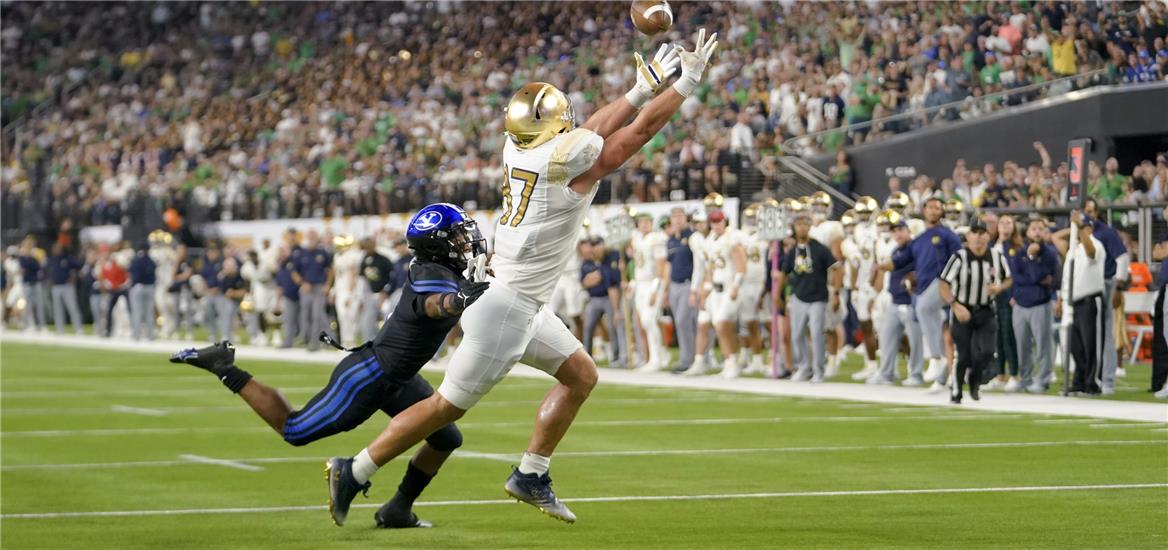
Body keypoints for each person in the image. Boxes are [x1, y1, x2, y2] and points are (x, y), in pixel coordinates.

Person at [320, 33, 716, 525]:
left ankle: (531, 473)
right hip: (507, 303)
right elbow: (627, 140)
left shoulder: (519, 148)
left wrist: (639, 90)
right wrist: (685, 85)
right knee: (445, 407)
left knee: (580, 375)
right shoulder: (564, 163)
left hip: (517, 297)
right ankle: (353, 469)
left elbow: (588, 134)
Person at [170, 203, 489, 529]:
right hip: (369, 375)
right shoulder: (429, 274)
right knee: (294, 430)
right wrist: (458, 301)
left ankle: (398, 509)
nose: (467, 240)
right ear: (436, 244)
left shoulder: (447, 269)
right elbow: (434, 305)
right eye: (458, 235)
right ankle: (225, 366)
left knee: (446, 438)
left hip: (399, 377)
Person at [939, 217, 1012, 404]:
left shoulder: (996, 256)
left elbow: (1008, 278)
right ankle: (956, 390)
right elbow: (943, 284)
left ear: (988, 236)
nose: (978, 238)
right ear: (968, 236)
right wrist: (955, 305)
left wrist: (1000, 288)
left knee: (987, 351)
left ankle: (974, 379)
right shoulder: (959, 258)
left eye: (982, 233)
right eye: (975, 233)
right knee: (963, 354)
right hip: (962, 309)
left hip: (986, 310)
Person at [776, 213, 842, 383]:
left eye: (805, 224)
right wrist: (778, 294)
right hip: (798, 296)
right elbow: (784, 272)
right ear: (794, 228)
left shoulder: (819, 248)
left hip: (818, 297)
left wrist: (835, 292)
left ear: (809, 227)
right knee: (797, 335)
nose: (802, 228)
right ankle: (805, 366)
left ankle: (819, 370)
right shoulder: (792, 251)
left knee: (816, 334)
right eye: (798, 225)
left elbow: (837, 267)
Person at [910, 198, 963, 391]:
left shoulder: (947, 235)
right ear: (923, 210)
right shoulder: (919, 238)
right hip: (923, 286)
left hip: (944, 283)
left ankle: (935, 358)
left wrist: (950, 282)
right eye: (931, 207)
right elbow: (912, 262)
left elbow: (959, 258)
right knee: (945, 335)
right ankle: (944, 377)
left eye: (938, 208)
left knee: (923, 309)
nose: (934, 211)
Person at [1058, 211, 1106, 396]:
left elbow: (1091, 252)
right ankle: (1079, 381)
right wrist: (1062, 298)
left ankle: (1093, 382)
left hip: (1090, 299)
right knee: (1075, 345)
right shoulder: (1073, 249)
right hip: (1074, 302)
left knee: (1091, 344)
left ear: (1090, 228)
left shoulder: (1096, 245)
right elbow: (1068, 277)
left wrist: (1081, 229)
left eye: (1083, 226)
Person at [1010, 218, 1060, 393]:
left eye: (1040, 229)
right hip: (1020, 304)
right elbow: (1017, 278)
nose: (1037, 232)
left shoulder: (1050, 254)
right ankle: (1025, 378)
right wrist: (1034, 278)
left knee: (1043, 345)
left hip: (1041, 303)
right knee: (1022, 345)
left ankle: (1043, 379)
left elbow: (1040, 275)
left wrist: (1031, 259)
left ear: (1046, 232)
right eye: (1033, 228)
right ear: (1027, 232)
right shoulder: (1018, 253)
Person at [874, 212, 923, 384]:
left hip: (911, 302)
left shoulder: (914, 247)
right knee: (886, 338)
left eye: (901, 229)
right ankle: (887, 373)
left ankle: (916, 374)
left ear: (909, 231)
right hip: (895, 301)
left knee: (914, 341)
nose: (898, 234)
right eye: (895, 231)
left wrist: (879, 266)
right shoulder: (896, 249)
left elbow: (893, 265)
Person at [629, 212, 668, 371]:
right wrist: (632, 282)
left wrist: (655, 289)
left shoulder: (657, 239)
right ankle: (653, 357)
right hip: (639, 283)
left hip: (652, 282)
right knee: (644, 322)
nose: (644, 224)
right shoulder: (636, 238)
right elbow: (636, 263)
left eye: (647, 222)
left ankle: (657, 358)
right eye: (641, 222)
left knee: (648, 320)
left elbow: (661, 267)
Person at [581, 237, 627, 369]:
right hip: (594, 298)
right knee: (588, 326)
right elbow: (585, 282)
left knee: (614, 327)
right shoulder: (588, 262)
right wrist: (592, 279)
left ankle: (616, 357)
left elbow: (612, 286)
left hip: (610, 297)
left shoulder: (611, 258)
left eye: (598, 245)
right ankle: (587, 358)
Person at [663, 208, 697, 374]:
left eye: (680, 216)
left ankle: (688, 360)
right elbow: (668, 266)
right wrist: (665, 289)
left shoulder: (692, 237)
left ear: (686, 219)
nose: (677, 220)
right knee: (680, 323)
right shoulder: (670, 240)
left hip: (688, 283)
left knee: (684, 321)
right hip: (674, 285)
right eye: (674, 216)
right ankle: (689, 357)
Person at [295, 230, 332, 351]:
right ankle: (305, 338)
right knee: (305, 315)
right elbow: (294, 272)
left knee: (317, 315)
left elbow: (330, 270)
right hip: (306, 287)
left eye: (313, 237)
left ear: (317, 239)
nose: (311, 239)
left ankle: (315, 342)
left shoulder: (322, 253)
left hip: (319, 287)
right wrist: (302, 283)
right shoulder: (302, 253)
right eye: (309, 237)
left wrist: (327, 285)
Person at [46, 243, 83, 334]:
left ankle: (78, 328)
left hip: (68, 286)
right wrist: (49, 280)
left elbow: (79, 265)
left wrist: (74, 275)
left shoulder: (67, 258)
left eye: (58, 248)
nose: (56, 250)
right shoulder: (51, 260)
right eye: (55, 248)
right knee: (57, 309)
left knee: (72, 307)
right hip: (55, 287)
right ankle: (60, 329)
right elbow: (46, 271)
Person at [128, 243, 158, 341]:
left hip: (138, 287)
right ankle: (150, 336)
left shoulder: (136, 260)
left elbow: (131, 272)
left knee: (137, 312)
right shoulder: (151, 261)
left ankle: (136, 335)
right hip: (150, 287)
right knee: (149, 313)